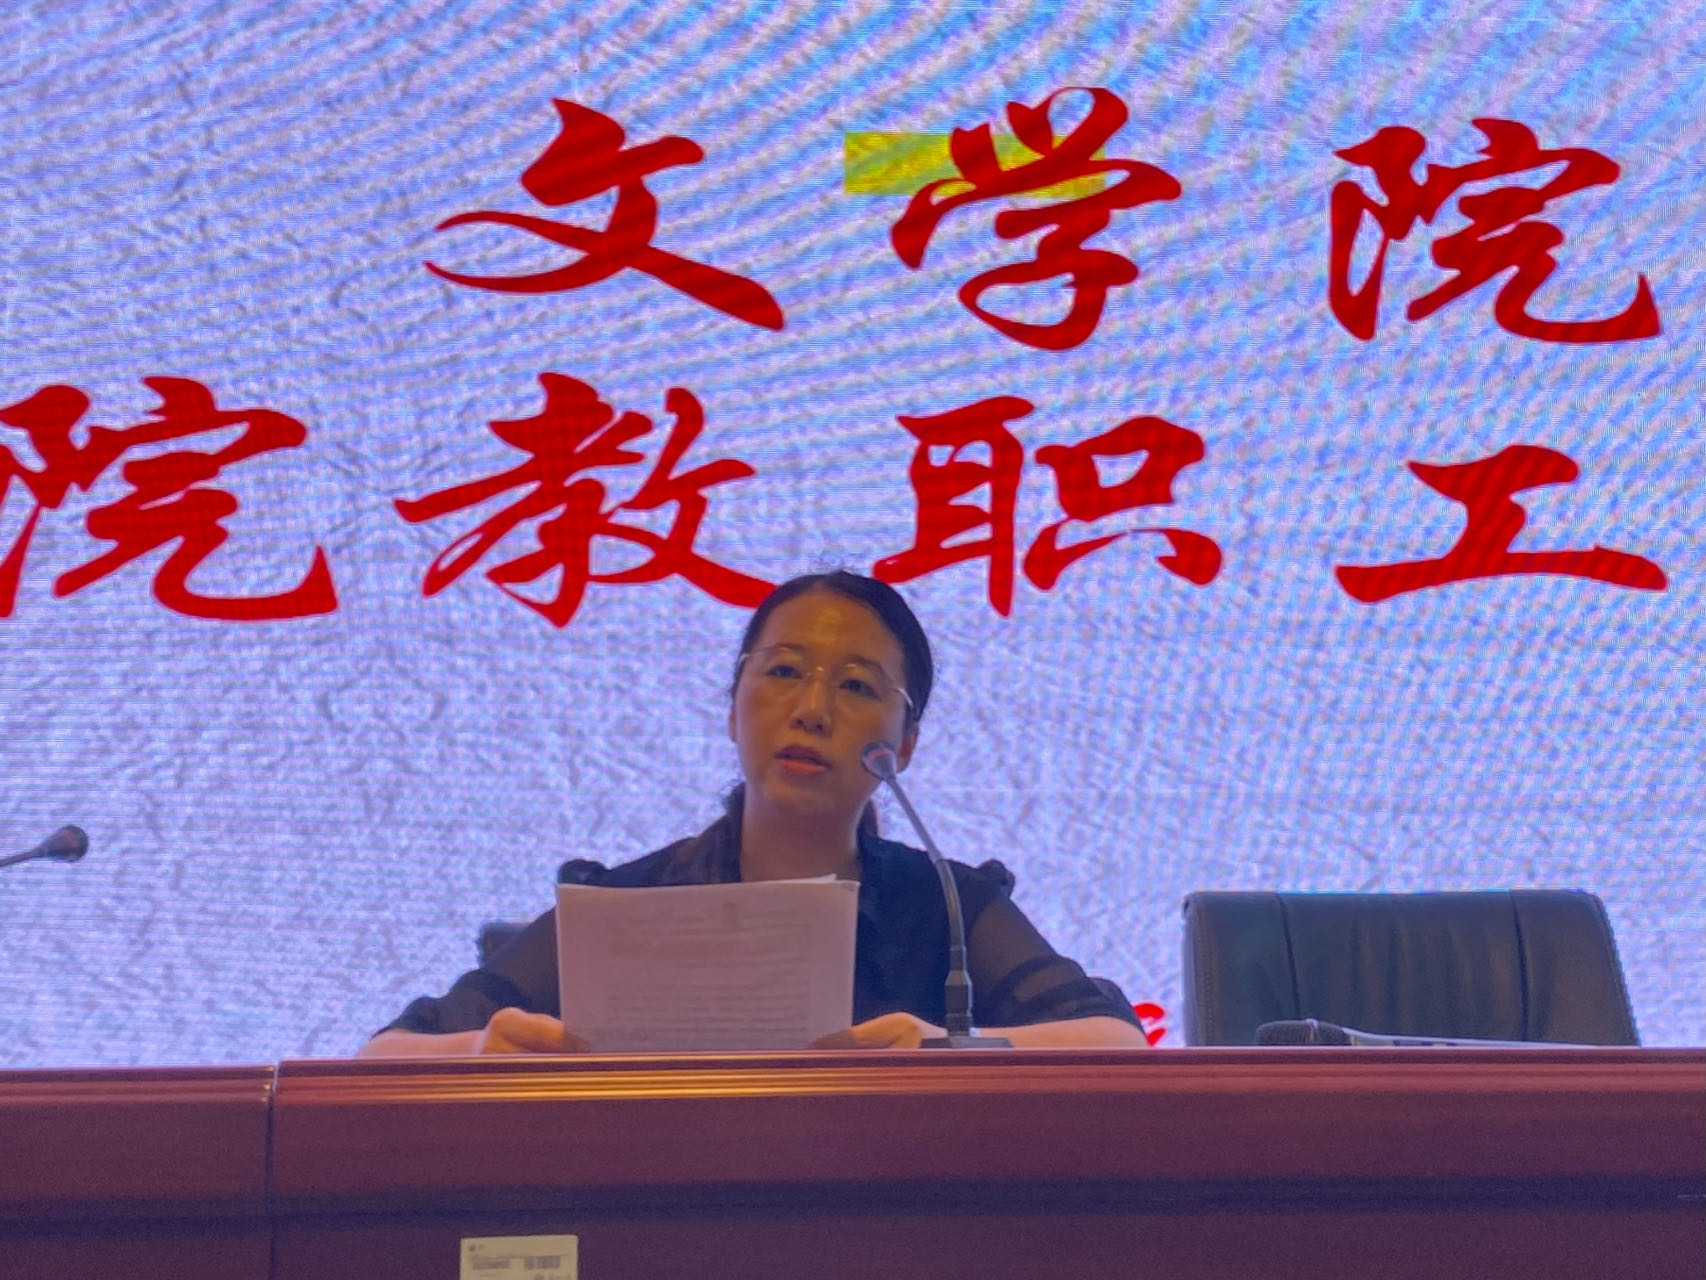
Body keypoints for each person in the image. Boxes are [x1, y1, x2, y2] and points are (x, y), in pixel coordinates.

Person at [360, 571, 1149, 1056]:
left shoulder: (945, 905)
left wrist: (943, 1045)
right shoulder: (626, 904)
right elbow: (387, 1054)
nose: (811, 709)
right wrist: (482, 1046)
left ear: (904, 743)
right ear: (733, 706)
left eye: (857, 686)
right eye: (783, 671)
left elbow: (1114, 1040)